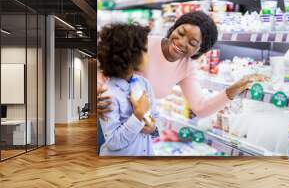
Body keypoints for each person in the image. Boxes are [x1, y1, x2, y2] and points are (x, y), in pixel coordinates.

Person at [98, 11, 266, 119]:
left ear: (200, 50)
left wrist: (233, 90)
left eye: (192, 42)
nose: (181, 42)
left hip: (137, 125)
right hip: (109, 116)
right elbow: (104, 72)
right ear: (174, 28)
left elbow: (200, 108)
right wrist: (96, 96)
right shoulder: (142, 44)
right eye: (180, 33)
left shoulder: (186, 67)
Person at [97, 23, 158, 156]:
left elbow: (155, 116)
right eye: (145, 51)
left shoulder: (144, 84)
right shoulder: (108, 95)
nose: (149, 55)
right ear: (130, 55)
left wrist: (152, 127)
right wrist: (138, 115)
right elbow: (113, 142)